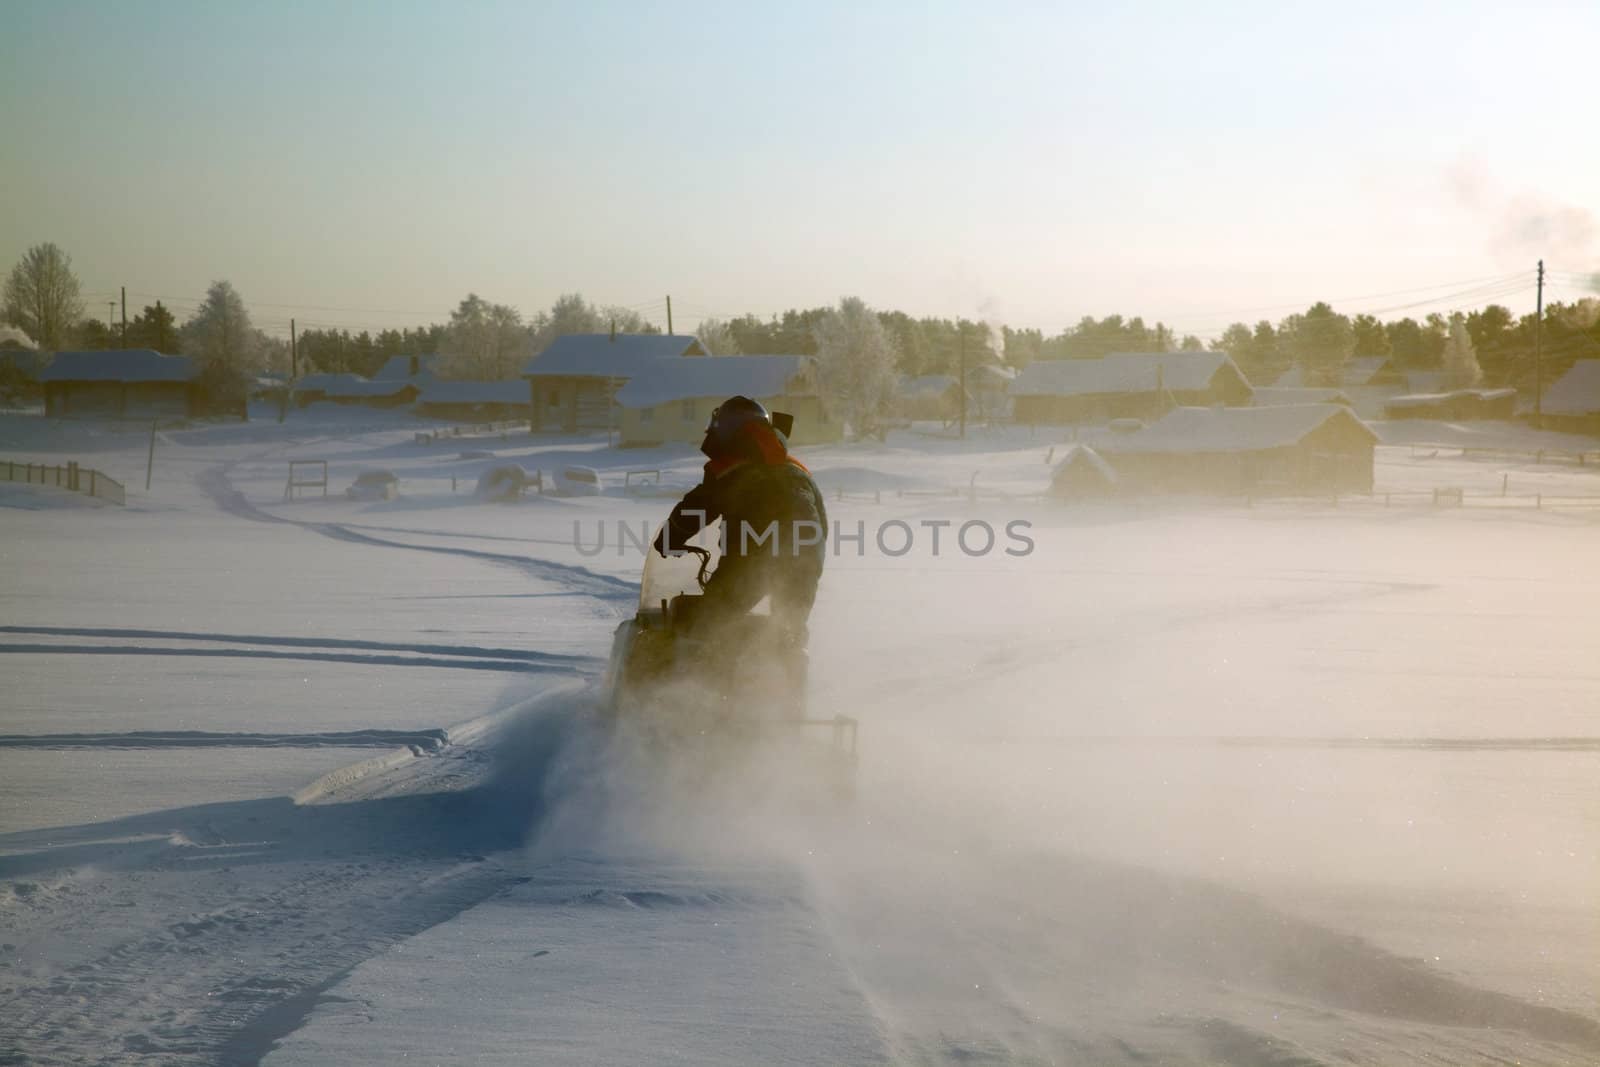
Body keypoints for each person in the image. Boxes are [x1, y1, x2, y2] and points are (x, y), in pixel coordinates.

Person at [653, 396, 827, 651]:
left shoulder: (733, 471)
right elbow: (820, 523)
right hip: (806, 561)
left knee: (707, 622)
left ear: (726, 431)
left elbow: (697, 508)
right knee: (787, 632)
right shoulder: (798, 472)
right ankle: (782, 685)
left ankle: (692, 683)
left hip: (751, 560)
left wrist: (671, 538)